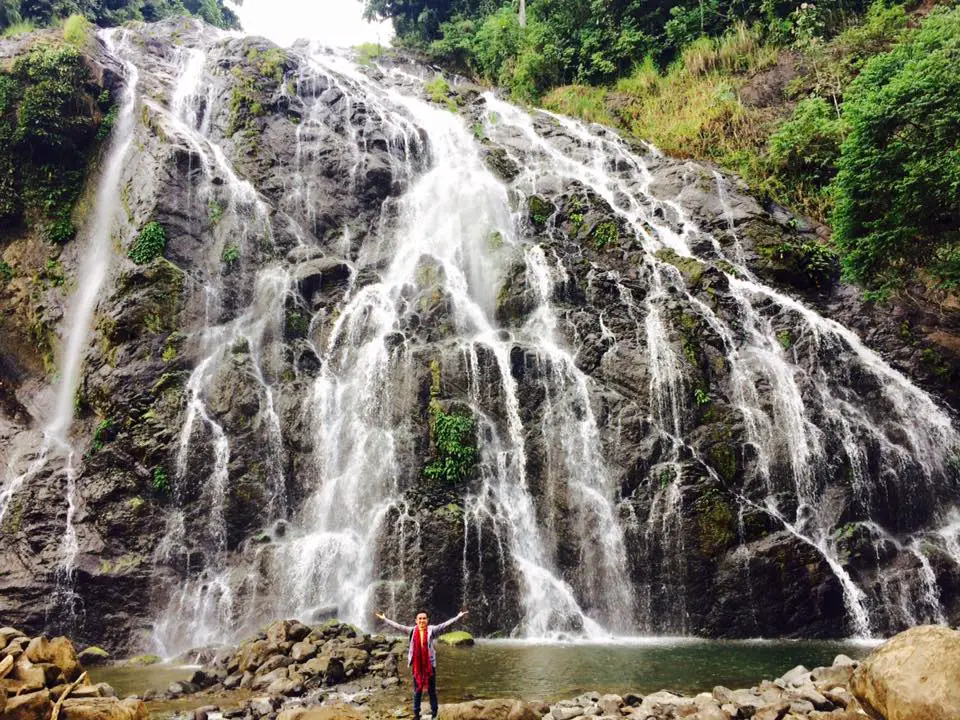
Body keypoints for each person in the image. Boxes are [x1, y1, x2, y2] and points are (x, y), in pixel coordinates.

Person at [375, 608, 468, 719]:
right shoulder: (412, 630)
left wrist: (458, 616)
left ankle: (434, 713)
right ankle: (416, 714)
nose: (422, 620)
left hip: (429, 665)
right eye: (420, 618)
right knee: (417, 690)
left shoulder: (431, 630)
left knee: (431, 690)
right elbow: (397, 626)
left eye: (424, 618)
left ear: (427, 620)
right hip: (417, 665)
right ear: (416, 620)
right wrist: (385, 619)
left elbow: (445, 625)